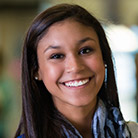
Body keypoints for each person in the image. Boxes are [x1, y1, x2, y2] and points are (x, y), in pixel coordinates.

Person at [15, 3, 138, 138]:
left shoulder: (133, 133)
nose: (75, 66)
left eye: (85, 50)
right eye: (57, 56)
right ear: (35, 70)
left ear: (104, 57)